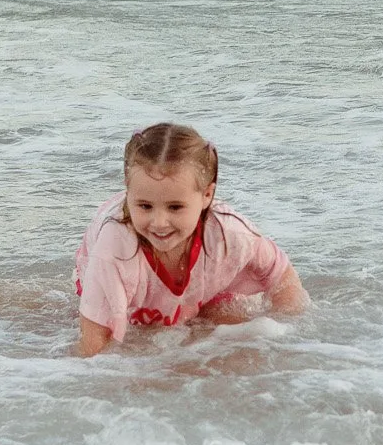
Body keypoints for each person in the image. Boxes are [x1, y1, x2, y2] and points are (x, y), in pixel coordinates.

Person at [75, 121, 308, 355]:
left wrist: (286, 334)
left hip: (204, 275)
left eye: (175, 207)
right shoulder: (112, 250)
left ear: (207, 195)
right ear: (128, 191)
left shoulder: (230, 233)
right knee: (141, 331)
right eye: (145, 206)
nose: (159, 222)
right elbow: (92, 346)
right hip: (114, 265)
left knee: (226, 334)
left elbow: (281, 275)